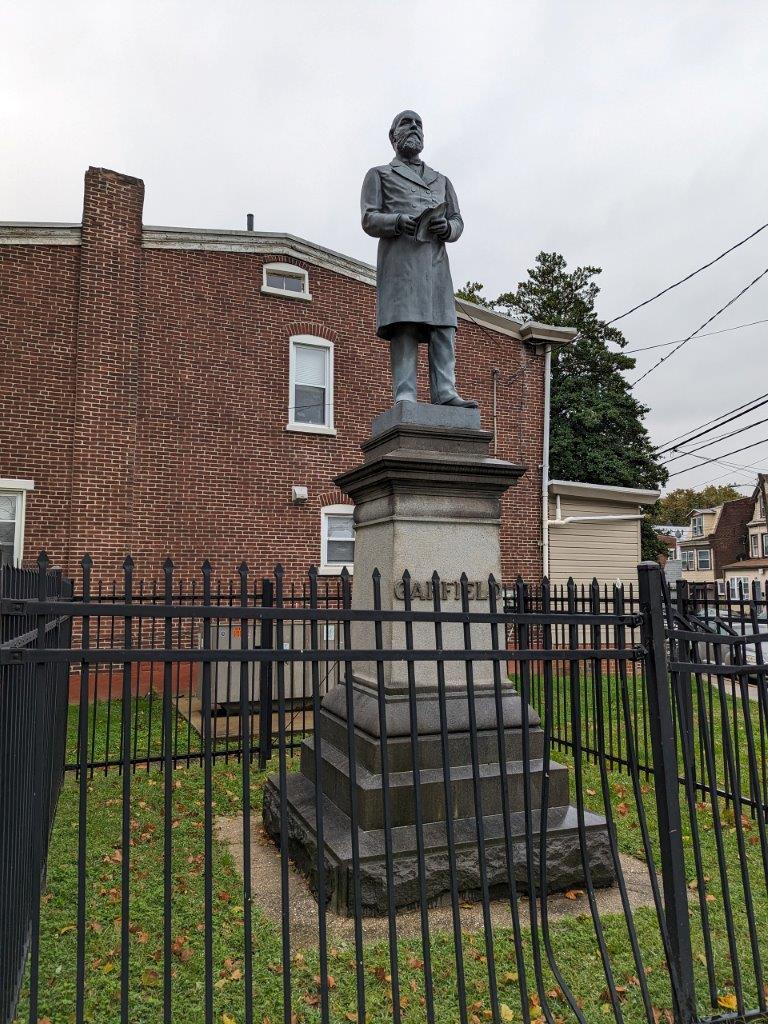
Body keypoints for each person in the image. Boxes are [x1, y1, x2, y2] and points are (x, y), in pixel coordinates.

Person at [361, 110, 478, 408]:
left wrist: (448, 228)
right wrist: (397, 221)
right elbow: (368, 218)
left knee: (443, 327)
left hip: (436, 265)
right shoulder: (379, 174)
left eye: (419, 124)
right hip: (401, 265)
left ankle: (445, 391)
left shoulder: (442, 180)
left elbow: (458, 221)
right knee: (406, 325)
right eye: (406, 122)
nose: (414, 127)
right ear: (392, 136)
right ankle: (405, 393)